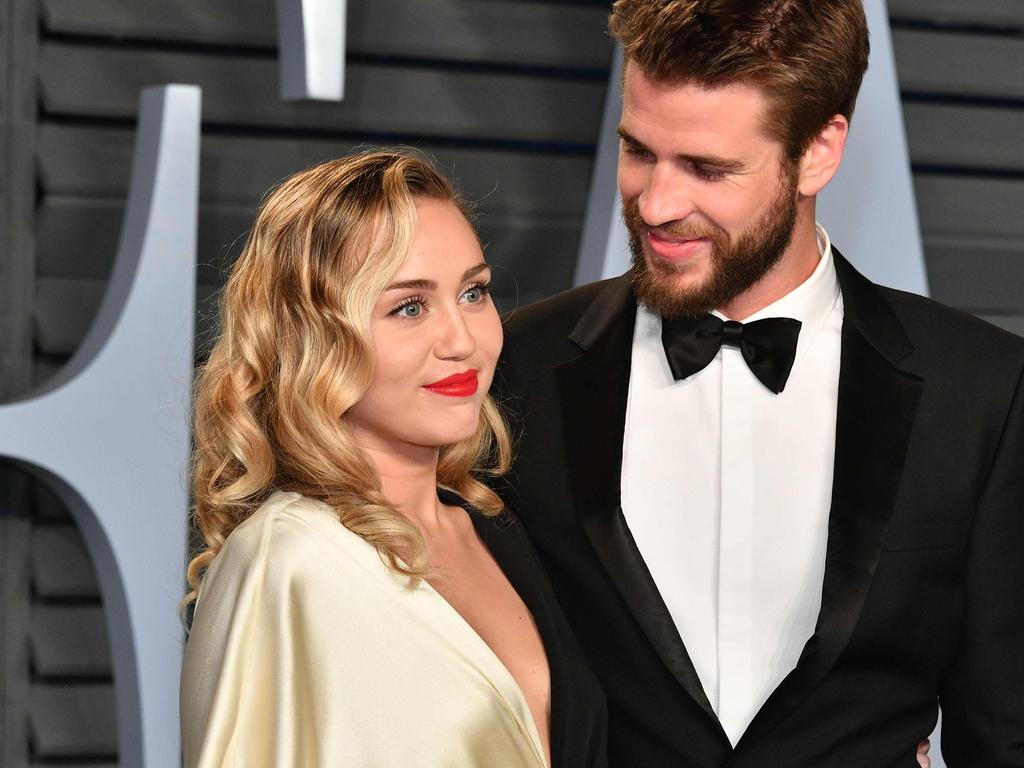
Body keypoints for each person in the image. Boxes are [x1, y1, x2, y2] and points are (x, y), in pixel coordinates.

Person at [496, 1, 1024, 766]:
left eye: (707, 169)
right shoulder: (519, 366)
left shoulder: (980, 393)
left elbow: (1004, 733)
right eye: (639, 151)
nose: (656, 204)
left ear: (818, 153)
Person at [179, 151, 606, 768]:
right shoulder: (289, 558)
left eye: (473, 292)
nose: (462, 340)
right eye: (410, 306)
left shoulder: (498, 527)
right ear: (313, 338)